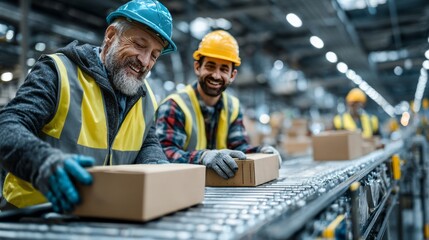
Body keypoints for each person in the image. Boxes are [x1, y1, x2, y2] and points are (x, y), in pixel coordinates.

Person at [0, 0, 177, 213]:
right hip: (33, 216)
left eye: (154, 55)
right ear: (111, 36)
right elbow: (7, 125)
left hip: (101, 218)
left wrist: (157, 166)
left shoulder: (145, 96)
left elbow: (146, 143)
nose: (145, 61)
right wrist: (43, 162)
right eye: (139, 45)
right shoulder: (58, 72)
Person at [155, 30, 281, 179]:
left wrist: (262, 151)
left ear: (232, 75)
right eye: (210, 66)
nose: (216, 75)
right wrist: (203, 157)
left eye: (224, 69)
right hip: (181, 186)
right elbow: (163, 155)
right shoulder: (175, 106)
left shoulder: (233, 107)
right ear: (197, 67)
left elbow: (238, 148)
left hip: (219, 188)